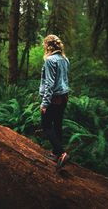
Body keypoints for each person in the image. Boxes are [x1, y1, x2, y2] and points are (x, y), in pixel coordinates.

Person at [39, 34, 70, 169]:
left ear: (48, 46)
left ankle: (62, 153)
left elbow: (49, 84)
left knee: (46, 124)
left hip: (54, 97)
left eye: (45, 45)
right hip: (64, 96)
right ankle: (56, 153)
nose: (44, 47)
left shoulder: (50, 60)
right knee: (57, 124)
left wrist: (45, 103)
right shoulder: (65, 59)